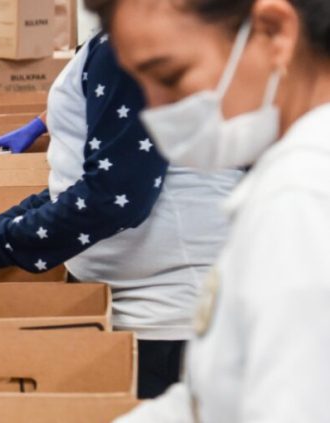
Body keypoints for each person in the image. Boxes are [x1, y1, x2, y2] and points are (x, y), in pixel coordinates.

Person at [0, 34, 242, 399]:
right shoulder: (133, 41)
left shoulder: (132, 46)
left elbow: (113, 197)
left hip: (168, 319)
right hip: (154, 309)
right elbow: (94, 177)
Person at [86, 0, 330, 420]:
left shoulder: (301, 199)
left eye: (170, 76)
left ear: (275, 32)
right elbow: (216, 399)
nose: (155, 111)